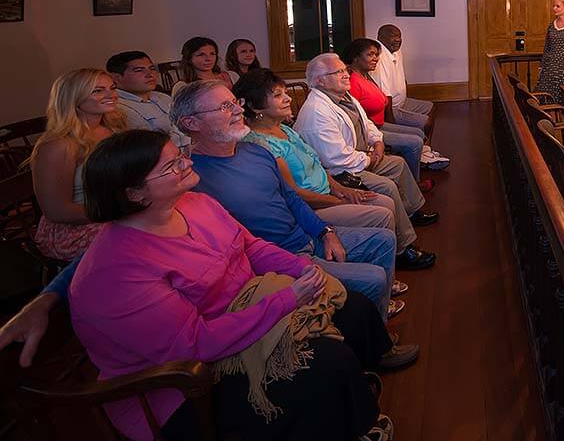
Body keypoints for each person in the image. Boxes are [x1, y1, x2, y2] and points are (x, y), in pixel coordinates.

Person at [55, 130, 402, 441]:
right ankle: (349, 413)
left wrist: (302, 268)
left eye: (180, 155)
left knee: (352, 306)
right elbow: (194, 344)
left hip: (240, 311)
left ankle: (351, 395)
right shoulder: (116, 272)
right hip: (179, 384)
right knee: (327, 361)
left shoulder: (195, 203)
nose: (186, 163)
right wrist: (286, 299)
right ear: (134, 194)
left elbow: (250, 245)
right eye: (172, 166)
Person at [170, 81, 401, 318]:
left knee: (383, 239)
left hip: (307, 236)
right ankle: (372, 337)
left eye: (235, 103)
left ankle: (374, 319)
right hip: (277, 259)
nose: (239, 110)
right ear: (191, 123)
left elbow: (291, 198)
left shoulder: (256, 151)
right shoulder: (192, 179)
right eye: (224, 107)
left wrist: (325, 232)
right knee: (373, 279)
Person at [235, 68, 413, 301]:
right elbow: (295, 194)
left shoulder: (285, 130)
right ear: (256, 107)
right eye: (278, 95)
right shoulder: (261, 145)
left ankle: (386, 275)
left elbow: (317, 166)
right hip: (313, 206)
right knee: (382, 211)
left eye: (285, 92)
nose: (288, 98)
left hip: (327, 192)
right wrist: (340, 198)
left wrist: (344, 190)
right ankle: (378, 286)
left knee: (384, 203)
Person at [295, 54, 439, 272]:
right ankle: (403, 248)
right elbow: (338, 159)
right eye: (338, 72)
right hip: (342, 171)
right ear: (320, 81)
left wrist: (377, 142)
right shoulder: (317, 112)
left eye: (345, 70)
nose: (345, 75)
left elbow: (367, 124)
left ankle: (411, 212)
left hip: (364, 155)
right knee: (387, 186)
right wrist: (370, 158)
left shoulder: (343, 96)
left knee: (398, 164)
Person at [30, 68, 126, 260]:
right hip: (77, 227)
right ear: (73, 98)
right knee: (145, 241)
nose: (111, 95)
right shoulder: (58, 145)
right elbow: (57, 211)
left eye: (112, 87)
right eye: (98, 90)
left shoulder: (112, 129)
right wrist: (123, 210)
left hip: (115, 211)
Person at [342, 38, 432, 180]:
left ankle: (413, 169)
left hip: (379, 125)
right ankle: (414, 181)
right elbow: (355, 118)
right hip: (369, 131)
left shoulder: (365, 76)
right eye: (370, 54)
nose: (375, 59)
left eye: (377, 55)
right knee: (415, 142)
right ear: (355, 58)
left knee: (419, 133)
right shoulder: (353, 81)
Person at [372, 24, 447, 167]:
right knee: (426, 122)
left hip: (403, 101)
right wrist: (391, 121)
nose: (398, 40)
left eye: (399, 36)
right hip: (392, 107)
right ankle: (421, 154)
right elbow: (386, 94)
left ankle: (425, 150)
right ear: (381, 38)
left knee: (430, 107)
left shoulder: (396, 51)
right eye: (393, 36)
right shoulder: (380, 57)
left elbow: (401, 77)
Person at [106, 50, 189, 148]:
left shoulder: (162, 96)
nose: (150, 74)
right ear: (116, 77)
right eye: (139, 70)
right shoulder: (118, 107)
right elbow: (152, 145)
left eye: (152, 68)